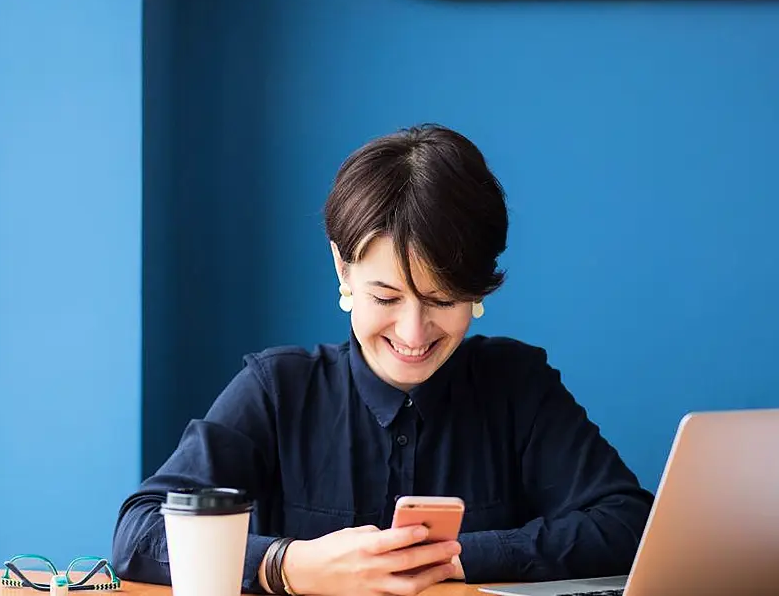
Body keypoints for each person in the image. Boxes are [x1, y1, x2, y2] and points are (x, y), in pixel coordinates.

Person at [111, 124, 655, 596]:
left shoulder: (517, 386)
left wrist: (454, 557)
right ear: (343, 271)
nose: (413, 333)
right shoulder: (279, 389)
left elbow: (630, 524)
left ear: (479, 288)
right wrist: (290, 566)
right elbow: (139, 534)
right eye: (386, 298)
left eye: (442, 300)